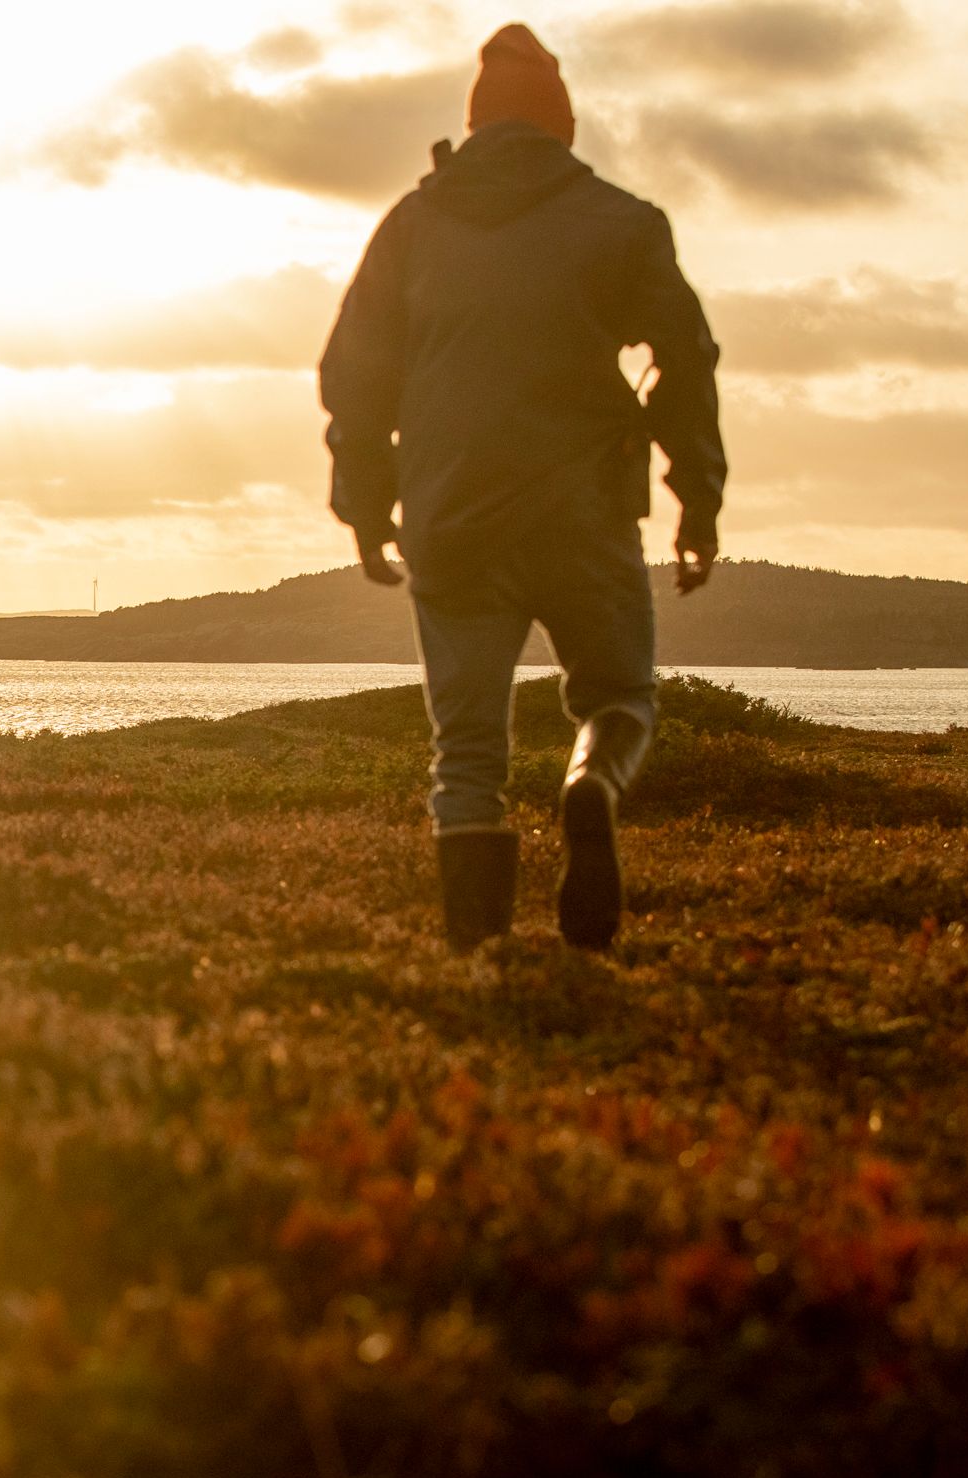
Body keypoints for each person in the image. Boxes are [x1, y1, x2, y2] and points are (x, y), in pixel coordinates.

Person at [317, 22, 725, 952]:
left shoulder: (411, 227)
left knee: (465, 753)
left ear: (474, 127)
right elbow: (686, 359)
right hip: (583, 507)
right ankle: (591, 786)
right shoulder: (622, 222)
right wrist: (696, 495)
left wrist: (369, 506)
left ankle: (483, 960)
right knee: (620, 696)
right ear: (563, 129)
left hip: (452, 511)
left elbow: (355, 376)